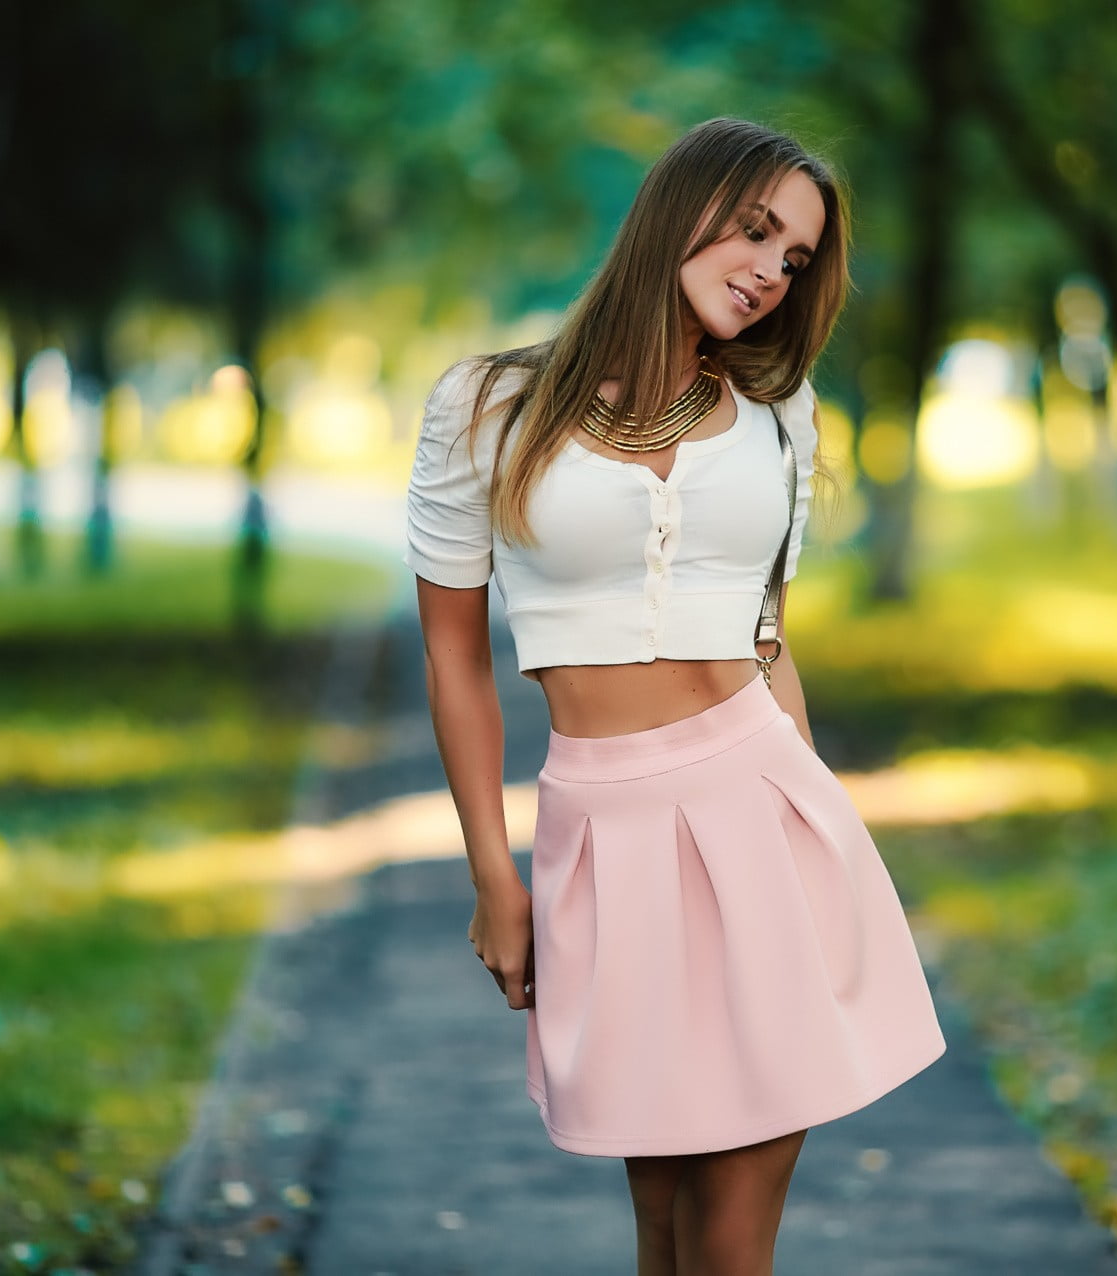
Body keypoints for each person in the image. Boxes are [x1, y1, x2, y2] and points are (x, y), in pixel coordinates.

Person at [403, 116, 946, 1275]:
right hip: (603, 837)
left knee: (730, 1245)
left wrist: (819, 830)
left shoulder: (777, 417)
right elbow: (454, 657)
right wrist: (493, 877)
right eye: (755, 230)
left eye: (793, 258)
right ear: (677, 209)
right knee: (660, 1228)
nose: (768, 271)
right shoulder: (482, 409)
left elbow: (767, 637)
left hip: (765, 818)